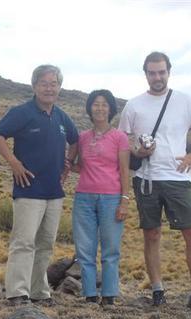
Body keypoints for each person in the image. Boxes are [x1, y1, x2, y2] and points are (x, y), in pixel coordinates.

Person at [118, 51, 191, 310]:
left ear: (169, 72)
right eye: (152, 72)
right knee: (152, 234)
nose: (157, 77)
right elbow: (122, 142)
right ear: (145, 74)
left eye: (161, 72)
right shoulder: (133, 105)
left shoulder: (184, 101)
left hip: (178, 177)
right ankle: (157, 291)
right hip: (147, 178)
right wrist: (138, 152)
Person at [0, 65, 79, 305]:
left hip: (54, 192)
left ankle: (39, 291)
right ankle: (17, 292)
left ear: (59, 87)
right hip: (28, 189)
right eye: (44, 83)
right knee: (24, 242)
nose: (49, 88)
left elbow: (75, 139)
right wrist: (14, 163)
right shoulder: (22, 112)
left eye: (53, 83)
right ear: (34, 86)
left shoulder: (61, 116)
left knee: (45, 245)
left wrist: (68, 163)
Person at [70, 90, 130, 307]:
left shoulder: (119, 137)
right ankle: (89, 294)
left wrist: (124, 199)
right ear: (89, 108)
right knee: (85, 248)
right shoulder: (82, 137)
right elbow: (78, 165)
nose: (100, 108)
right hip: (84, 197)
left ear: (111, 109)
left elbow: (124, 170)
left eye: (105, 105)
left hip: (111, 198)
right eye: (96, 104)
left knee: (110, 248)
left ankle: (109, 295)